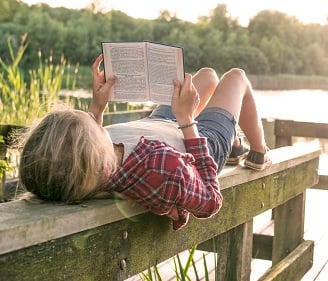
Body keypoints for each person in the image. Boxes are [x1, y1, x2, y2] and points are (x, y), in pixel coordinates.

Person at [18, 54, 271, 230]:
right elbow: (210, 201)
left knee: (205, 76)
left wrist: (98, 106)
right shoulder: (160, 167)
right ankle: (258, 152)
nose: (91, 118)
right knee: (236, 77)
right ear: (102, 159)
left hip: (158, 125)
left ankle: (235, 140)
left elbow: (86, 150)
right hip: (195, 138)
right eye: (90, 122)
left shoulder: (92, 165)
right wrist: (185, 119)